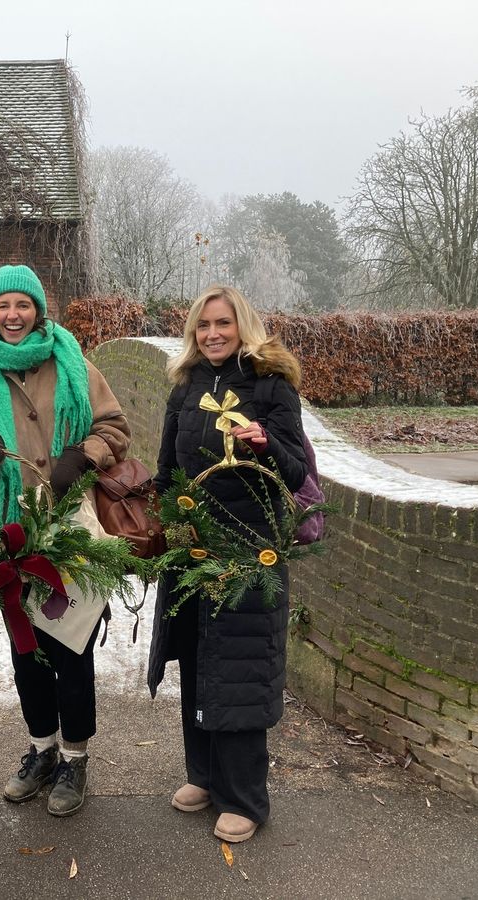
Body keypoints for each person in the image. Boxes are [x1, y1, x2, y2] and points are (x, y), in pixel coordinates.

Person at [0, 264, 131, 817]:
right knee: (26, 646)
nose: (13, 316)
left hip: (72, 524)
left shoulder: (74, 363)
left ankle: (76, 757)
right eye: (3, 306)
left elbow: (115, 427)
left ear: (38, 310)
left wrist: (84, 456)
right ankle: (42, 749)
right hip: (10, 529)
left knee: (70, 642)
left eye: (22, 305)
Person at [147, 285, 309, 844]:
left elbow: (296, 473)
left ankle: (245, 798)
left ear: (243, 326)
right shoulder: (187, 386)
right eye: (202, 326)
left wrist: (265, 444)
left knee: (239, 670)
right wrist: (160, 525)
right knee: (197, 662)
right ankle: (205, 776)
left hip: (249, 553)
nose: (212, 334)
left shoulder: (271, 385)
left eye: (223, 324)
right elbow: (168, 467)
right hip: (194, 551)